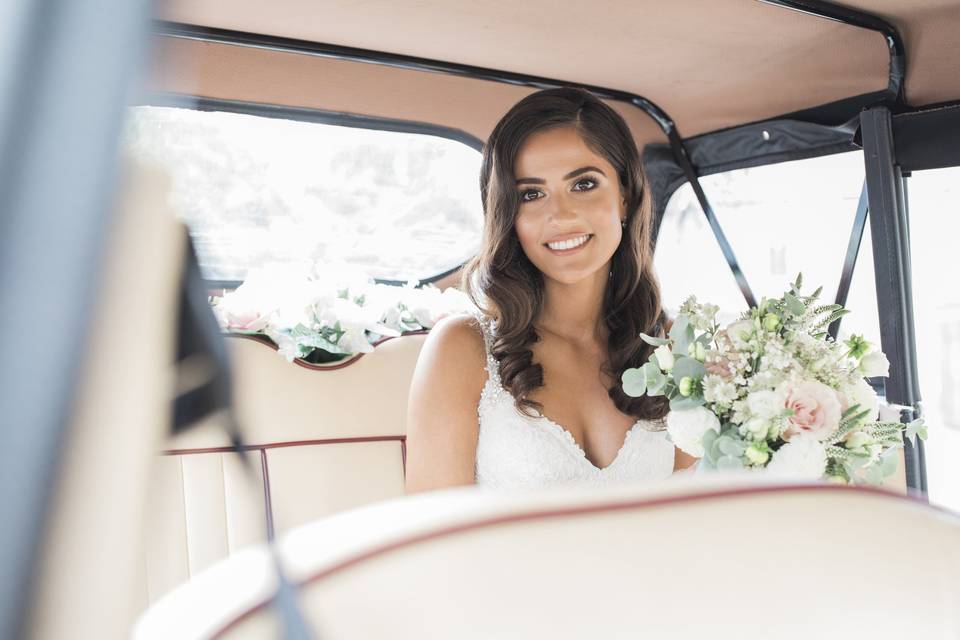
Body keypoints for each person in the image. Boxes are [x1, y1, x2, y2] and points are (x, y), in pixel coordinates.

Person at [405, 87, 698, 493]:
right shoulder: (461, 349)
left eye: (583, 185)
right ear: (509, 215)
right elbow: (431, 539)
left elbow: (696, 510)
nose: (560, 215)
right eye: (531, 194)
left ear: (626, 197)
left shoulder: (673, 347)